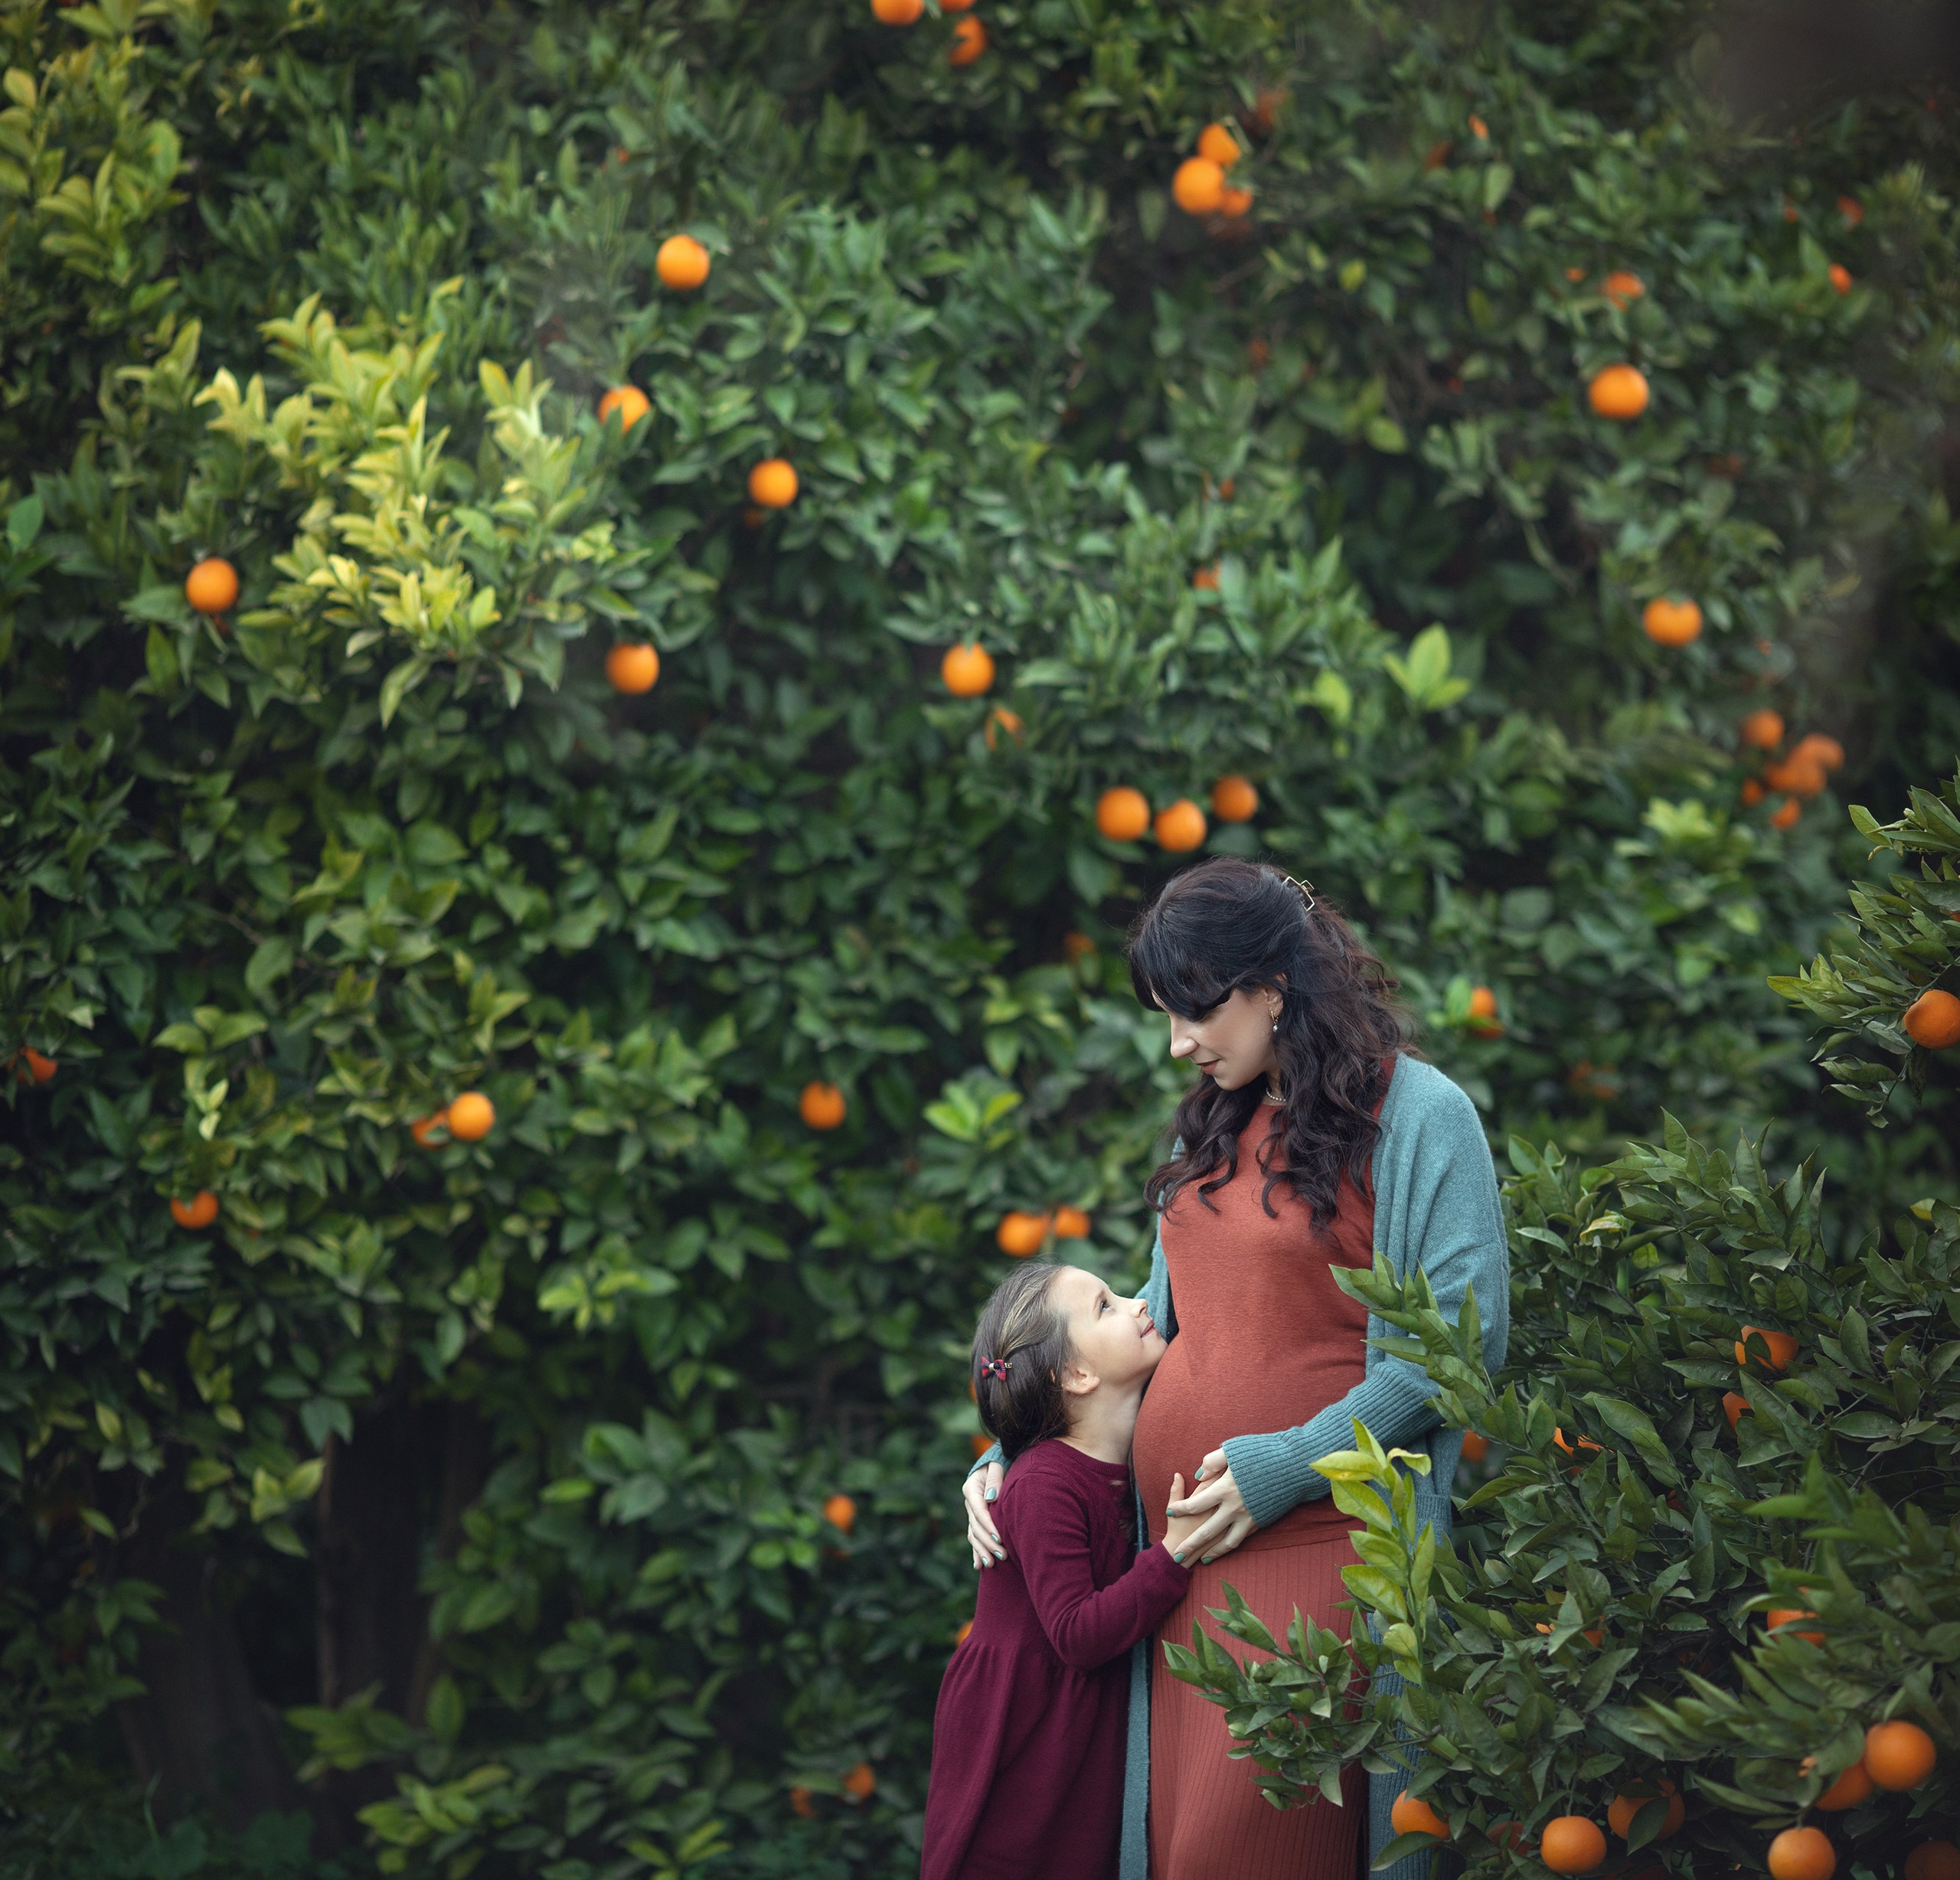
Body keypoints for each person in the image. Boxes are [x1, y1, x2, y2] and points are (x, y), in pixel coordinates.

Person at [961, 860, 1510, 1880]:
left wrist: (1289, 1465)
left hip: (1317, 1547)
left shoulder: (1422, 1118)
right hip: (1178, 1574)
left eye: (1198, 1012)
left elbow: (1459, 1350)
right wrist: (1018, 1448)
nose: (1180, 1044)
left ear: (1276, 985)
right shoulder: (1214, 1119)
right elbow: (1153, 1320)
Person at [922, 1261, 1207, 1880]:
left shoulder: (1114, 1461)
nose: (1139, 1303)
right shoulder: (1045, 1483)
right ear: (1076, 1374)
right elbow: (1077, 1634)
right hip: (1025, 1724)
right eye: (1107, 1305)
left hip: (1073, 1711)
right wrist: (1172, 1556)